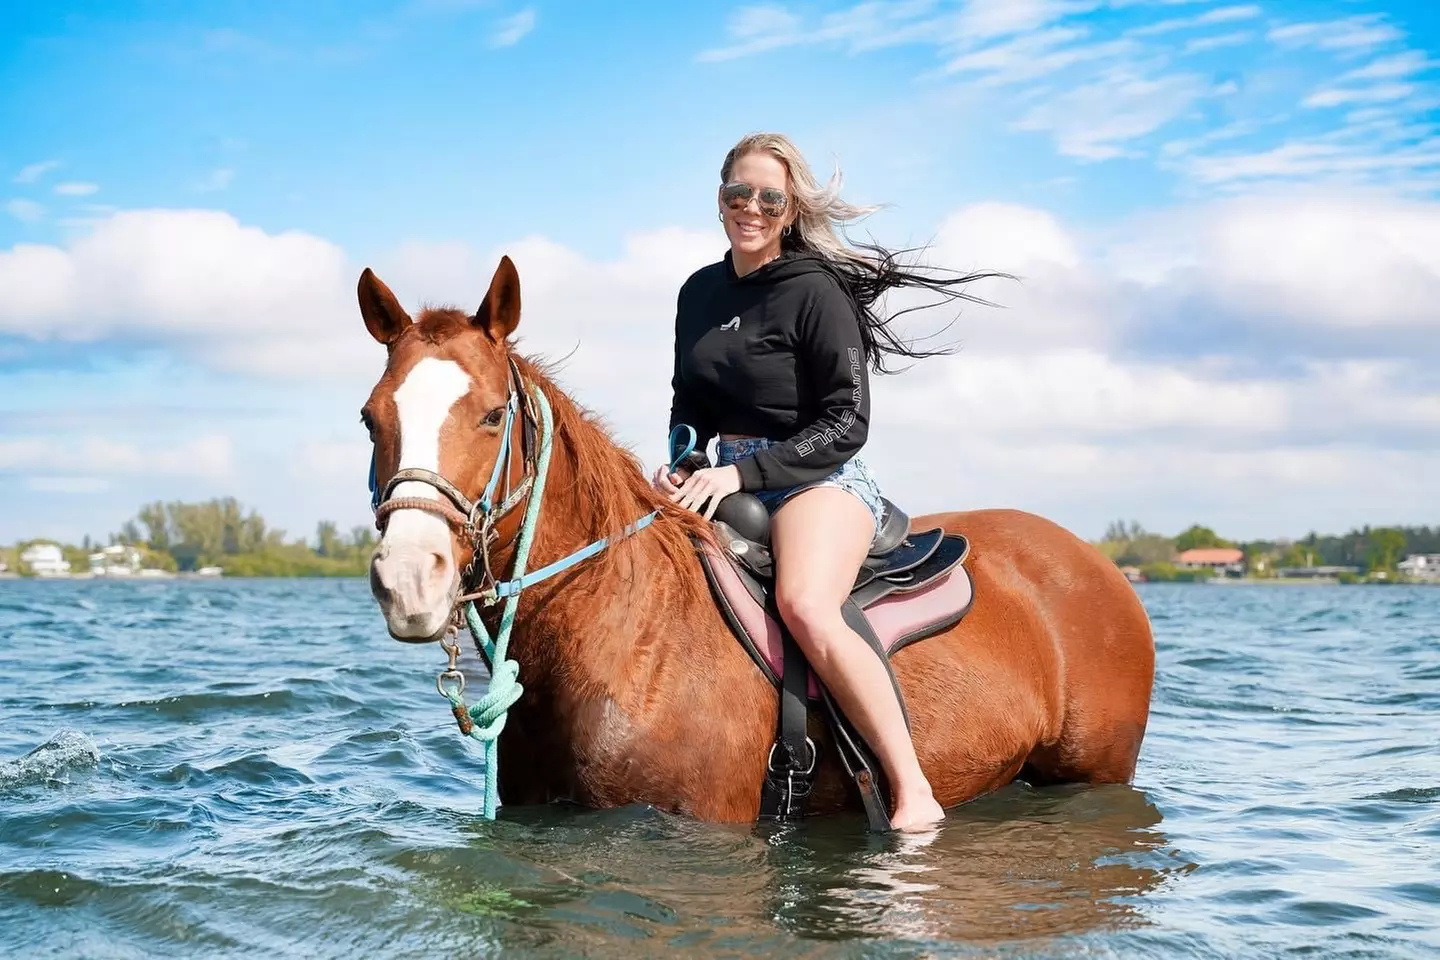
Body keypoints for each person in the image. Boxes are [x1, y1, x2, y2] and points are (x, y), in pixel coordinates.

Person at [651, 131, 1000, 831]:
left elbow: (847, 420)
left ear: (790, 210)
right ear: (719, 199)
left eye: (768, 198)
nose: (751, 207)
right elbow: (687, 401)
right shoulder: (697, 292)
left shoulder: (817, 289)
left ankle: (911, 788)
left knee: (808, 603)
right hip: (724, 476)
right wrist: (683, 460)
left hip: (820, 476)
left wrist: (741, 472)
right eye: (737, 193)